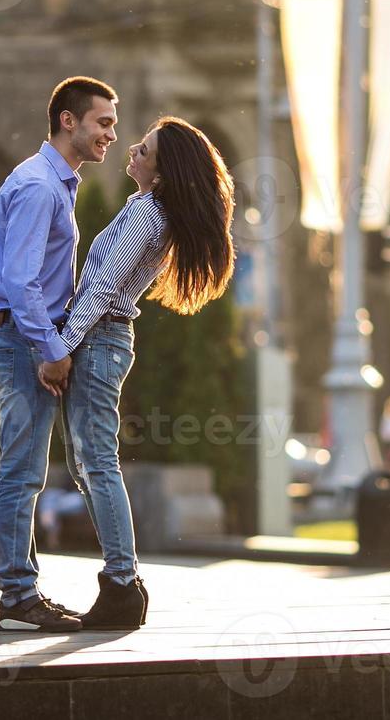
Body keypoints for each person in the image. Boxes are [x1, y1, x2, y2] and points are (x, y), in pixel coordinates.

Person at [56, 116, 236, 630]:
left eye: (145, 148)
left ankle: (121, 583)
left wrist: (62, 348)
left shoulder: (150, 216)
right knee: (86, 464)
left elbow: (103, 288)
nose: (132, 149)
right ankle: (120, 581)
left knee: (97, 462)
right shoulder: (143, 206)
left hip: (99, 340)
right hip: (98, 339)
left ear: (161, 170)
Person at [0, 77, 118, 633]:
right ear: (68, 120)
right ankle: (16, 598)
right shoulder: (40, 186)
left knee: (27, 468)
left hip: (22, 336)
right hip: (21, 340)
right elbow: (20, 280)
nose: (112, 133)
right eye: (103, 122)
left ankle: (22, 590)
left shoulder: (54, 181)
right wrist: (51, 348)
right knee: (22, 470)